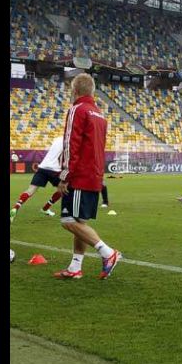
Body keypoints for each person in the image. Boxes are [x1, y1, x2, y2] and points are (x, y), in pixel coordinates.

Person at [53, 73, 121, 280]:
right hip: (94, 175)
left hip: (80, 175)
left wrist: (64, 176)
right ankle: (75, 267)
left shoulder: (77, 110)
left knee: (68, 221)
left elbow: (70, 145)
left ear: (75, 90)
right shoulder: (99, 114)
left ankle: (108, 253)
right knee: (79, 222)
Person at [10, 135, 65, 222]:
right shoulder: (69, 140)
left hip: (42, 167)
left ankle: (15, 208)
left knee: (30, 190)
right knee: (63, 189)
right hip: (54, 169)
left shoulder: (58, 138)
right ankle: (46, 208)